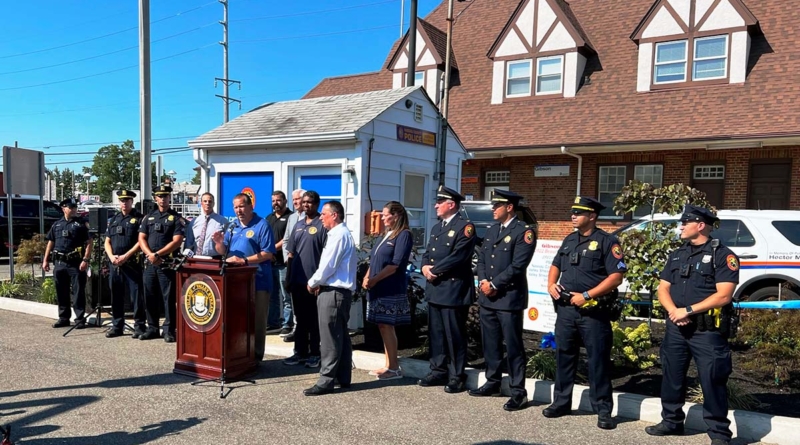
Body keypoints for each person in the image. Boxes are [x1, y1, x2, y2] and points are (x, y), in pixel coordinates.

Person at [645, 205, 739, 445]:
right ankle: (671, 421)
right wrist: (673, 312)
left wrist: (686, 310)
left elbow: (724, 295)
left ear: (700, 225)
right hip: (676, 326)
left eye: (686, 223)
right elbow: (663, 288)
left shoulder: (722, 255)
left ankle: (719, 432)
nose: (681, 227)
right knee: (671, 376)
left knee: (712, 379)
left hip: (706, 330)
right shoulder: (677, 254)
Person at [544, 196, 626, 430]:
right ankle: (561, 403)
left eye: (578, 213)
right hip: (567, 310)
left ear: (592, 216)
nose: (573, 216)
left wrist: (588, 295)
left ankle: (602, 410)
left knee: (598, 362)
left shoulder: (607, 241)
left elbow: (616, 277)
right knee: (564, 357)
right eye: (572, 212)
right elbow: (556, 264)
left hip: (594, 312)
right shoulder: (569, 240)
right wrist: (551, 284)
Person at [471, 189, 536, 411]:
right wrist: (482, 281)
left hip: (508, 298)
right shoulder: (491, 231)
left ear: (509, 207)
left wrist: (494, 284)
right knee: (490, 343)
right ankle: (493, 382)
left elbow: (518, 266)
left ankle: (518, 392)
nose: (492, 209)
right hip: (488, 297)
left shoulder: (523, 232)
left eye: (496, 206)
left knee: (514, 346)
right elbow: (481, 258)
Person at [418, 185, 476, 393]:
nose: (435, 205)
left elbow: (459, 256)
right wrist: (424, 266)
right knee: (436, 334)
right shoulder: (437, 227)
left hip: (452, 290)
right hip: (436, 288)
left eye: (440, 202)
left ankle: (457, 375)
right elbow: (428, 252)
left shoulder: (465, 227)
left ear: (451, 205)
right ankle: (437, 370)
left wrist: (435, 270)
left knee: (454, 335)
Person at [303, 201, 358, 396]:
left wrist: (313, 282)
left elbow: (328, 265)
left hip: (333, 292)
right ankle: (343, 377)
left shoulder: (338, 235)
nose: (321, 217)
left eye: (324, 214)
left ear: (334, 215)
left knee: (329, 340)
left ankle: (326, 380)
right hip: (337, 292)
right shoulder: (339, 234)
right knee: (339, 336)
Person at [212, 193, 275, 361]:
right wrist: (219, 243)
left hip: (258, 282)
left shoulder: (262, 225)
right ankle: (239, 355)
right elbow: (224, 252)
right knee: (239, 320)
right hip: (236, 283)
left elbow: (268, 253)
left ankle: (256, 357)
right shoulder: (232, 227)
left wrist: (245, 260)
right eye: (235, 207)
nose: (238, 210)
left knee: (257, 322)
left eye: (241, 206)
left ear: (250, 206)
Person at [362, 201, 414, 381]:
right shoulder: (385, 234)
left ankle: (394, 367)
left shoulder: (403, 235)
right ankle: (388, 364)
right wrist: (367, 276)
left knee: (387, 325)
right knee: (381, 325)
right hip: (377, 287)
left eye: (385, 215)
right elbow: (374, 258)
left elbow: (395, 264)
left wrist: (375, 279)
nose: (382, 218)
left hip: (389, 287)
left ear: (396, 215)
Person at [283, 190, 327, 368]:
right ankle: (299, 352)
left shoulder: (322, 225)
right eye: (304, 202)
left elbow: (326, 255)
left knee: (314, 320)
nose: (306, 205)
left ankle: (315, 353)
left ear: (317, 204)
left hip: (314, 282)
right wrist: (289, 278)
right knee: (300, 319)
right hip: (297, 280)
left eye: (309, 202)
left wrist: (319, 281)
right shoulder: (298, 224)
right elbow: (291, 253)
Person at [138, 185, 186, 343]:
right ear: (155, 198)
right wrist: (150, 254)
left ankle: (169, 330)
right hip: (151, 264)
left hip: (167, 264)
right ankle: (152, 328)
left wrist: (159, 254)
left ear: (169, 198)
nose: (163, 199)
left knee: (168, 298)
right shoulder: (149, 217)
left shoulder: (175, 218)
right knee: (150, 296)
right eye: (160, 196)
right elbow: (141, 238)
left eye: (165, 196)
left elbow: (177, 241)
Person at [43, 197, 93, 329]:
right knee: (61, 291)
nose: (74, 209)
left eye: (75, 207)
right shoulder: (57, 224)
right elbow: (50, 242)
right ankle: (63, 318)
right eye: (71, 207)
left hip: (75, 263)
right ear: (63, 208)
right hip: (59, 263)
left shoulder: (82, 224)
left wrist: (86, 260)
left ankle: (79, 319)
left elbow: (89, 243)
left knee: (78, 292)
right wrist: (45, 259)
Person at [103, 190, 145, 338]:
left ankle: (139, 326)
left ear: (132, 201)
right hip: (115, 264)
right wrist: (111, 256)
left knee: (136, 297)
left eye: (127, 200)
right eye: (122, 200)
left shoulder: (139, 219)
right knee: (116, 296)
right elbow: (107, 241)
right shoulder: (114, 219)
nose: (124, 203)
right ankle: (117, 326)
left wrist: (126, 256)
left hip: (131, 264)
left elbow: (141, 241)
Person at [280, 188, 306, 341]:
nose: (296, 202)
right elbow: (286, 240)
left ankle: (308, 331)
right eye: (294, 200)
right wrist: (287, 259)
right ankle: (296, 329)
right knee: (292, 298)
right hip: (291, 265)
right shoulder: (292, 218)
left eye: (298, 199)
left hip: (307, 267)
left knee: (306, 301)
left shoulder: (314, 218)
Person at [267, 190, 292, 331]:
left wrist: (271, 249)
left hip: (284, 264)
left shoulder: (290, 217)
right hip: (271, 263)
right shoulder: (269, 218)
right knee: (272, 296)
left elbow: (287, 239)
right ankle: (273, 322)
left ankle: (287, 323)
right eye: (273, 201)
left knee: (286, 296)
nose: (275, 203)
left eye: (278, 200)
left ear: (284, 201)